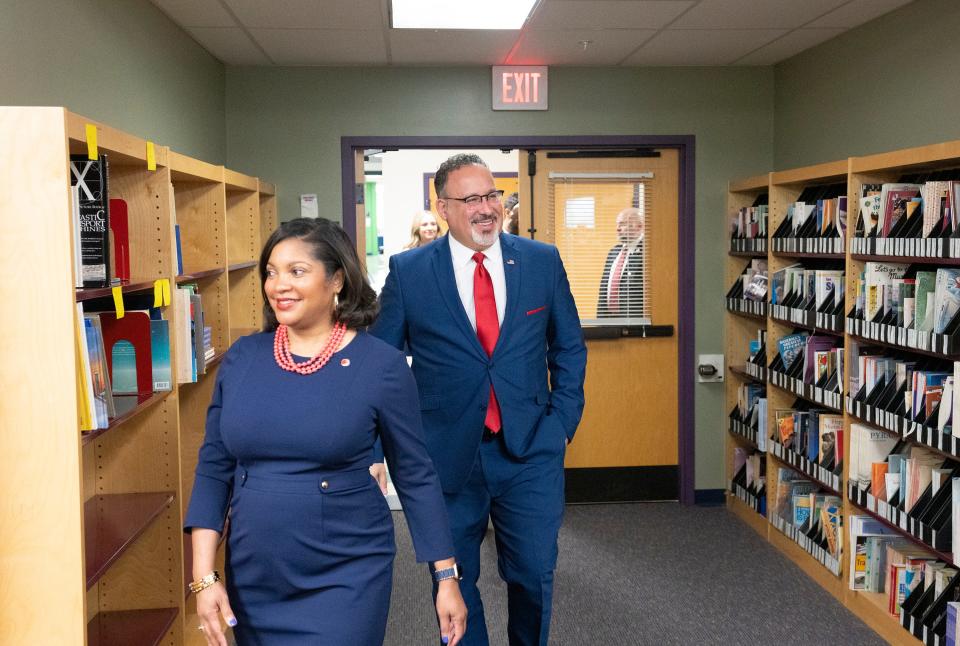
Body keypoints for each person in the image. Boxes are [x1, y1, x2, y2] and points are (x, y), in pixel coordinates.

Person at [184, 217, 467, 646]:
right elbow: (213, 468)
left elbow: (415, 474)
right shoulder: (242, 359)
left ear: (336, 280)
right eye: (272, 272)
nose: (279, 285)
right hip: (256, 572)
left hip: (346, 573)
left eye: (297, 272)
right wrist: (204, 578)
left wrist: (445, 577)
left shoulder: (381, 366)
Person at [371, 154, 587, 646]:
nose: (486, 208)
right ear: (443, 206)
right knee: (454, 581)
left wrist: (560, 425)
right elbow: (380, 365)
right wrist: (379, 447)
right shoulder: (410, 272)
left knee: (533, 573)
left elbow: (569, 347)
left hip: (529, 451)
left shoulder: (540, 261)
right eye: (471, 199)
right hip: (444, 456)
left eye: (492, 195)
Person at [597, 207, 645, 318]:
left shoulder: (648, 254)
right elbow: (603, 292)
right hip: (609, 323)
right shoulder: (613, 252)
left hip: (633, 324)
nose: (617, 229)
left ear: (639, 227)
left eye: (622, 224)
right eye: (617, 224)